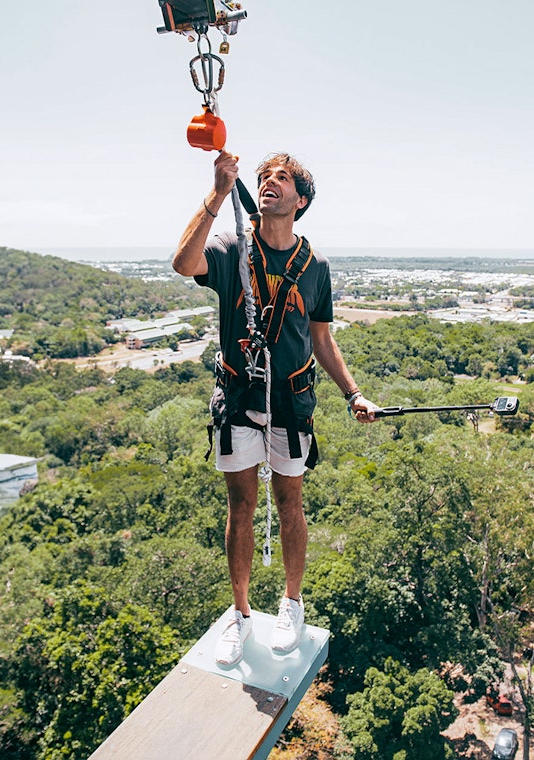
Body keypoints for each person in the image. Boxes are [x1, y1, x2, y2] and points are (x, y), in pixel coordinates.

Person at [172, 150, 380, 666]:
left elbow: (322, 340)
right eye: (264, 178)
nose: (269, 183)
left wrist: (353, 393)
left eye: (281, 178)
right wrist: (219, 195)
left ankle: (292, 604)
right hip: (239, 395)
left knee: (290, 502)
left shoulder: (315, 267)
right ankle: (240, 614)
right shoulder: (231, 251)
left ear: (300, 199)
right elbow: (182, 264)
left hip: (290, 401)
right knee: (240, 505)